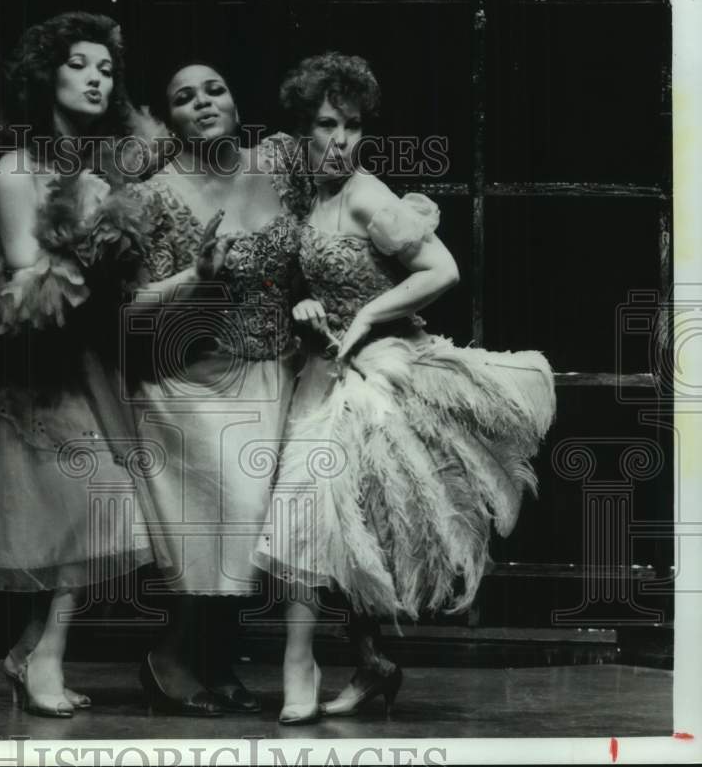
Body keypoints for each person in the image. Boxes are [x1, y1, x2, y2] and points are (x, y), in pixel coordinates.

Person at [253, 52, 557, 724]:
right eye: (327, 125)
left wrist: (364, 316)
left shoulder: (367, 194)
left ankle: (302, 662)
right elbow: (300, 281)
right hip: (323, 365)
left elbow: (441, 270)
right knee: (332, 517)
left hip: (381, 364)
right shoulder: (307, 197)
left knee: (322, 505)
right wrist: (306, 309)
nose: (341, 140)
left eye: (353, 126)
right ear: (303, 129)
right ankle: (367, 661)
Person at [0, 11, 156, 718]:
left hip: (88, 358)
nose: (96, 80)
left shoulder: (104, 171)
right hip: (31, 365)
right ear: (48, 76)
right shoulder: (19, 168)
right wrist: (98, 226)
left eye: (106, 70)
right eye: (80, 66)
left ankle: (36, 649)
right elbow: (26, 270)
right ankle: (39, 652)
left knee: (97, 505)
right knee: (72, 508)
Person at [117, 61, 305, 716]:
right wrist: (195, 277)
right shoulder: (155, 195)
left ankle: (214, 661)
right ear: (170, 120)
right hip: (193, 382)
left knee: (248, 534)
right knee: (229, 519)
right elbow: (130, 309)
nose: (202, 102)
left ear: (235, 101)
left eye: (215, 89)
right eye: (183, 97)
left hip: (274, 371)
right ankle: (169, 657)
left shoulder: (279, 164)